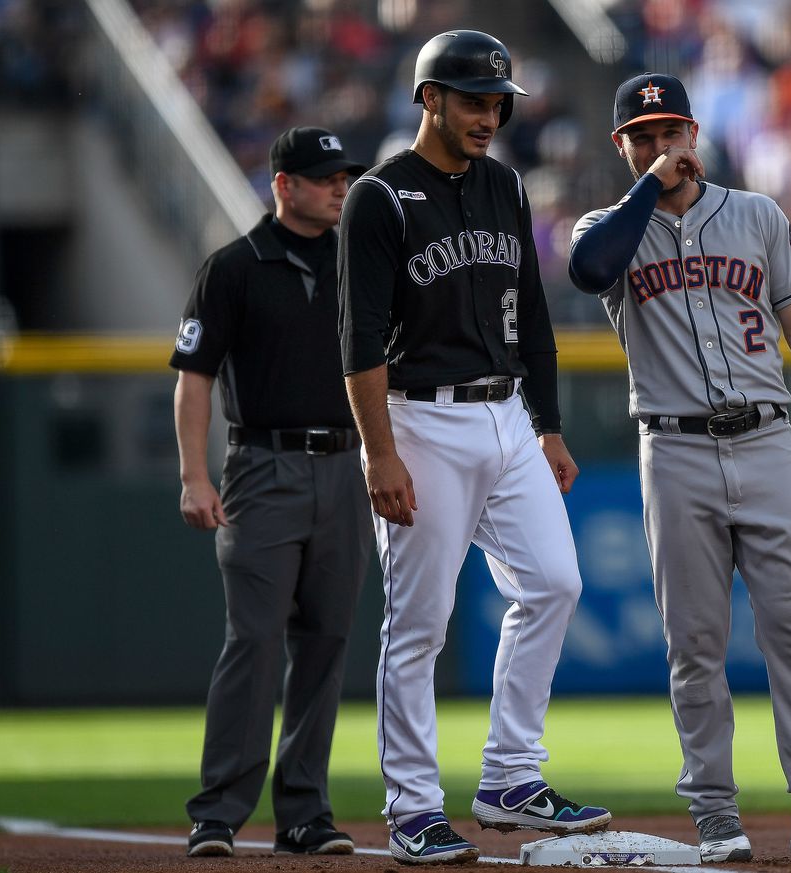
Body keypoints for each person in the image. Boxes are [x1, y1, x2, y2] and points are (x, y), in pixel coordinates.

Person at [568, 73, 791, 863]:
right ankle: (714, 813)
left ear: (694, 133)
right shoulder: (610, 224)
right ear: (623, 147)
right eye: (643, 136)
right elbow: (586, 269)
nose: (660, 145)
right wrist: (647, 187)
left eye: (670, 131)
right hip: (672, 448)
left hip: (767, 439)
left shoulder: (755, 215)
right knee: (695, 641)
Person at [337, 30, 611, 865]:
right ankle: (414, 807)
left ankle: (510, 777)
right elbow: (358, 341)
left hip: (507, 418)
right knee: (418, 623)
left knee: (555, 582)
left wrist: (550, 423)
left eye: (497, 101)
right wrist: (379, 451)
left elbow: (530, 313)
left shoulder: (503, 184)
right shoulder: (379, 197)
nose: (488, 114)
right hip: (418, 420)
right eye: (471, 99)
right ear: (429, 100)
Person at [170, 127, 372, 858]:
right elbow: (193, 377)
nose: (340, 186)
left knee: (326, 644)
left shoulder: (359, 263)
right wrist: (195, 475)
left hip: (346, 466)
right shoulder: (233, 267)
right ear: (284, 185)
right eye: (324, 178)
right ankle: (218, 810)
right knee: (253, 641)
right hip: (262, 467)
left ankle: (304, 814)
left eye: (344, 176)